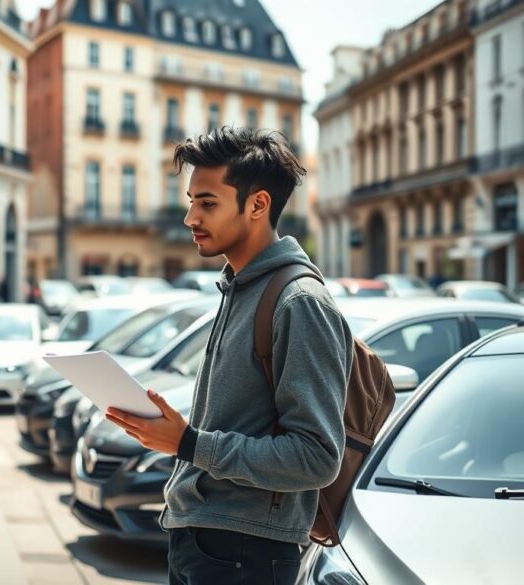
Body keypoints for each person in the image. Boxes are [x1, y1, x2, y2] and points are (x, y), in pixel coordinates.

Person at [105, 127, 353, 585]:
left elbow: (316, 457)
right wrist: (172, 431)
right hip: (203, 537)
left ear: (257, 205)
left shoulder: (299, 301)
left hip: (245, 550)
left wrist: (188, 443)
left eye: (207, 203)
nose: (190, 217)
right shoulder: (239, 288)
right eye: (191, 200)